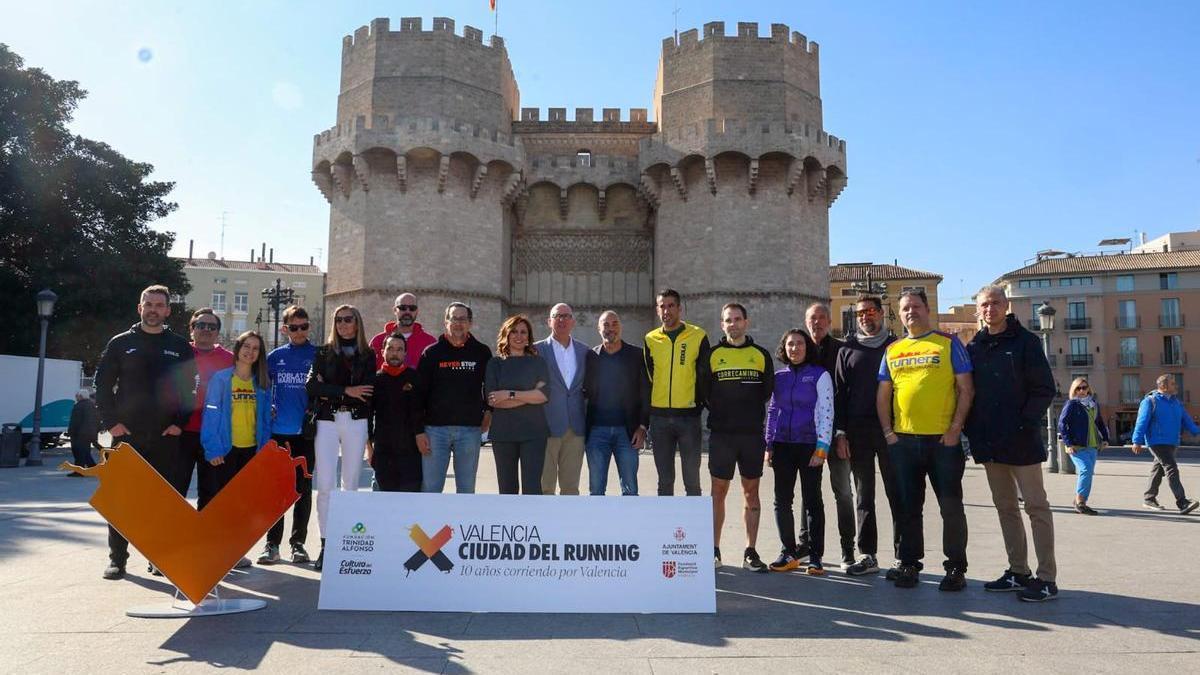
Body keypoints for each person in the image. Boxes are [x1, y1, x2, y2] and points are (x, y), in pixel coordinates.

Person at [94, 285, 197, 580]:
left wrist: (180, 421)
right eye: (148, 304)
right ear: (140, 308)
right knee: (121, 499)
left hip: (166, 436)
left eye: (159, 305)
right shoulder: (120, 343)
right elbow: (102, 386)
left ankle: (159, 558)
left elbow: (190, 389)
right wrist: (111, 422)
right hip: (125, 434)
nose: (153, 309)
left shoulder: (179, 346)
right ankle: (117, 559)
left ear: (167, 310)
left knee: (163, 501)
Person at [965, 286, 1059, 602]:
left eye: (994, 303)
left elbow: (1045, 389)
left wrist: (1023, 423)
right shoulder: (974, 347)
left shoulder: (1027, 343)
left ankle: (1046, 578)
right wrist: (974, 433)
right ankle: (1018, 571)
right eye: (984, 305)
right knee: (1005, 508)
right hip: (991, 445)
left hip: (1022, 443)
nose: (989, 309)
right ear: (977, 310)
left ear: (1006, 306)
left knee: (1036, 507)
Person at [876, 288, 974, 591]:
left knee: (950, 506)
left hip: (942, 442)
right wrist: (889, 433)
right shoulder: (892, 350)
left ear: (927, 309)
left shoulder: (948, 344)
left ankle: (956, 567)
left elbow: (966, 389)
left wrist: (955, 428)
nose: (910, 313)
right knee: (907, 506)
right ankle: (909, 563)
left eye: (915, 307)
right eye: (905, 308)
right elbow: (883, 395)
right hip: (903, 441)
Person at [833, 296, 900, 577]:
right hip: (858, 432)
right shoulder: (847, 350)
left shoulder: (896, 347)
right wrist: (841, 433)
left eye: (870, 311)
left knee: (898, 493)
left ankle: (903, 556)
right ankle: (867, 554)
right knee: (864, 496)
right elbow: (840, 393)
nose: (865, 317)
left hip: (892, 432)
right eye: (860, 313)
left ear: (882, 314)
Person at [307, 305, 376, 571]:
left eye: (349, 319)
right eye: (339, 320)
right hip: (326, 421)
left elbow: (367, 392)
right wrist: (347, 390)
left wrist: (331, 390)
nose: (343, 324)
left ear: (357, 323)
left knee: (351, 485)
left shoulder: (368, 355)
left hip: (356, 422)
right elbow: (312, 386)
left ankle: (347, 542)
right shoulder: (323, 353)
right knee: (324, 485)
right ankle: (326, 543)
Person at [706, 303, 775, 572]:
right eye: (728, 320)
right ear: (722, 324)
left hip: (751, 435)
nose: (733, 324)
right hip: (722, 434)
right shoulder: (712, 355)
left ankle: (751, 551)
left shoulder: (760, 355)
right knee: (717, 492)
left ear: (746, 322)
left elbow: (767, 392)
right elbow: (705, 392)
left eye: (737, 319)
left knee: (751, 492)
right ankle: (714, 550)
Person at [765, 329, 833, 575]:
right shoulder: (779, 377)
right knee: (782, 501)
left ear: (807, 347)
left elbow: (827, 412)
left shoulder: (819, 375)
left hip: (810, 446)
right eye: (790, 344)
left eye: (800, 344)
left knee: (812, 501)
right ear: (784, 348)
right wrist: (769, 444)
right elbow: (773, 411)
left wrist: (822, 449)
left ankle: (815, 557)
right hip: (782, 445)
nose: (795, 348)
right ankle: (788, 552)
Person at [259, 305, 318, 565]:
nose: (299, 331)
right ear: (285, 329)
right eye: (293, 327)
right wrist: (267, 408)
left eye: (303, 326)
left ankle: (299, 545)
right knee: (276, 493)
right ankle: (272, 545)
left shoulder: (318, 354)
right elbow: (261, 389)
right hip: (278, 434)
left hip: (306, 435)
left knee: (303, 491)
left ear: (309, 327)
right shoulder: (274, 357)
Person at [417, 302, 492, 494]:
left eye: (463, 319)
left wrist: (489, 412)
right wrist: (419, 431)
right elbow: (419, 394)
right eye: (454, 318)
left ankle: (462, 525)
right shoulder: (431, 353)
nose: (458, 323)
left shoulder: (482, 352)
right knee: (431, 489)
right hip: (435, 431)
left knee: (466, 490)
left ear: (470, 323)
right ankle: (430, 524)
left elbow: (491, 386)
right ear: (446, 322)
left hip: (469, 431)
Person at [644, 289, 711, 496]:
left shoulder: (698, 336)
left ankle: (692, 527)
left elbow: (704, 376)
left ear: (680, 308)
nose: (666, 310)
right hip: (659, 420)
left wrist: (698, 405)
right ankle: (665, 527)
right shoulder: (650, 339)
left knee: (692, 481)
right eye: (662, 306)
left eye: (671, 305)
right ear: (657, 310)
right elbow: (649, 377)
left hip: (688, 419)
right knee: (664, 482)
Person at [804, 302, 853, 568]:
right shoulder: (800, 350)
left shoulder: (841, 350)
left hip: (836, 435)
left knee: (843, 492)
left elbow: (845, 394)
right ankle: (806, 546)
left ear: (829, 320)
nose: (818, 322)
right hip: (807, 435)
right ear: (806, 321)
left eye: (822, 317)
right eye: (813, 318)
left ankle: (848, 549)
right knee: (809, 493)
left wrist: (843, 432)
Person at [199, 331, 273, 505]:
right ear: (238, 348)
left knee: (246, 502)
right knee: (224, 502)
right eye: (246, 346)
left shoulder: (262, 383)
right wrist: (213, 448)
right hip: (226, 450)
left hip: (252, 451)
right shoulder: (222, 379)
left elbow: (265, 420)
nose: (250, 351)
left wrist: (264, 448)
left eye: (256, 348)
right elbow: (211, 416)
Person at [583, 310, 649, 496]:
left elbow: (645, 392)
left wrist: (643, 426)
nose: (610, 328)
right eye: (606, 324)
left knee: (630, 489)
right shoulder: (591, 356)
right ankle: (597, 525)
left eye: (614, 324)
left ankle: (629, 525)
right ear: (598, 328)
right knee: (596, 489)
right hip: (596, 432)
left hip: (627, 433)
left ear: (621, 327)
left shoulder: (636, 355)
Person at [485, 316, 550, 494]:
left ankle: (533, 522)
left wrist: (509, 394)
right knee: (507, 489)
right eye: (514, 331)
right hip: (504, 434)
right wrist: (529, 395)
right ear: (506, 334)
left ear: (529, 337)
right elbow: (493, 400)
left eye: (523, 332)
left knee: (532, 488)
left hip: (534, 434)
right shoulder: (495, 364)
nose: (519, 336)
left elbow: (544, 395)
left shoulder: (538, 362)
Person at [182, 308, 234, 508]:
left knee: (211, 493)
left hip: (215, 436)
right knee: (175, 489)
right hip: (182, 433)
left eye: (211, 326)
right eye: (200, 325)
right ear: (191, 329)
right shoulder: (180, 353)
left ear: (218, 332)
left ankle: (205, 538)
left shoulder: (230, 359)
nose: (206, 329)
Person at [536, 303, 589, 495]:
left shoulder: (585, 351)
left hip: (575, 428)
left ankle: (569, 525)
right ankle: (545, 525)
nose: (562, 320)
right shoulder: (537, 350)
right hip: (546, 426)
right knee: (544, 487)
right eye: (557, 316)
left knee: (571, 487)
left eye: (566, 316)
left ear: (573, 321)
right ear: (549, 321)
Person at [1133, 374, 1200, 514]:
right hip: (1156, 442)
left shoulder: (1176, 403)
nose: (1176, 386)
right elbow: (1142, 421)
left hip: (1172, 442)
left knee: (1158, 469)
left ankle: (1149, 498)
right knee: (1171, 468)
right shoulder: (1150, 401)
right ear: (1163, 386)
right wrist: (1137, 440)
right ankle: (1182, 502)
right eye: (1173, 383)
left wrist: (1196, 431)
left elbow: (1187, 420)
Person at [369, 332, 427, 492]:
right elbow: (367, 416)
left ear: (405, 353)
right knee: (384, 503)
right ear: (382, 352)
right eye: (391, 348)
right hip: (383, 452)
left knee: (410, 503)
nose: (395, 353)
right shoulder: (374, 381)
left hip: (411, 453)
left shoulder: (415, 378)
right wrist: (369, 447)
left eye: (400, 349)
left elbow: (419, 411)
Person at [1058, 377, 1110, 516]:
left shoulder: (1093, 404)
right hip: (1076, 446)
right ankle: (1081, 502)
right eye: (1078, 388)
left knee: (1088, 473)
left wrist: (1105, 438)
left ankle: (1079, 500)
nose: (1082, 390)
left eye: (1084, 387)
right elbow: (1062, 424)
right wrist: (1068, 443)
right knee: (1085, 471)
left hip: (1092, 446)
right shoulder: (1071, 404)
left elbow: (1099, 422)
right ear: (1074, 390)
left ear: (1089, 389)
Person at [369, 292, 438, 370]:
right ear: (395, 310)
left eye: (412, 308)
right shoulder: (377, 341)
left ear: (417, 311)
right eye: (402, 308)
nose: (407, 312)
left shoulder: (430, 342)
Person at [67, 389, 100, 474]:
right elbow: (96, 420)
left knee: (78, 452)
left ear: (81, 396)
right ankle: (93, 468)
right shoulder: (91, 405)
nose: (76, 397)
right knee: (85, 452)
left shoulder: (79, 406)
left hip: (79, 434)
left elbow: (76, 421)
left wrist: (71, 431)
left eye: (77, 396)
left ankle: (79, 471)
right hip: (88, 433)